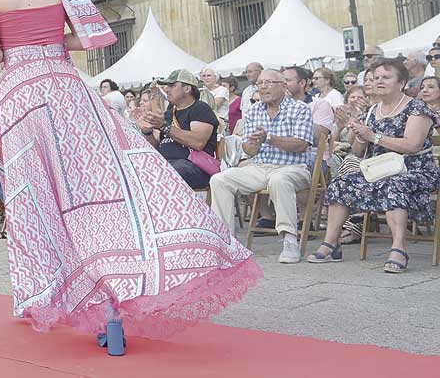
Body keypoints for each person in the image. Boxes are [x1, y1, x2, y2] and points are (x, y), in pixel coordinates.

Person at [0, 0, 258, 350]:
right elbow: (96, 34)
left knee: (39, 198)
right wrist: (50, 38)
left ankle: (49, 294)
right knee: (96, 190)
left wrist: (24, 41)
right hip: (68, 88)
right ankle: (114, 297)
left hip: (22, 95)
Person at [308, 58, 440, 272]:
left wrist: (373, 136)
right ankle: (331, 243)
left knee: (394, 184)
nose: (379, 81)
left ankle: (399, 247)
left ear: (401, 82)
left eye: (386, 77)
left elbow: (412, 145)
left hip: (415, 169)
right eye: (376, 77)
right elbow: (359, 152)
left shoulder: (417, 108)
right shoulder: (372, 110)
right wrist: (359, 134)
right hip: (379, 169)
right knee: (341, 183)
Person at [209, 69, 315, 264]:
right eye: (260, 83)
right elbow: (249, 151)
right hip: (260, 167)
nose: (263, 87)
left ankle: (290, 239)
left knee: (279, 179)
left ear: (283, 86)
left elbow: (301, 145)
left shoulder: (300, 109)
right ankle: (226, 242)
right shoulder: (254, 110)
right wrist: (252, 144)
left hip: (294, 167)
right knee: (220, 179)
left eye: (268, 82)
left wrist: (270, 139)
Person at [138, 70, 218, 189]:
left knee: (165, 172)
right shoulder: (169, 114)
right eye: (166, 86)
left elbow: (198, 142)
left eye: (172, 85)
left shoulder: (199, 108)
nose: (166, 89)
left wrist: (164, 127)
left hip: (194, 168)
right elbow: (156, 146)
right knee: (139, 171)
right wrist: (147, 132)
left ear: (187, 89)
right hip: (169, 165)